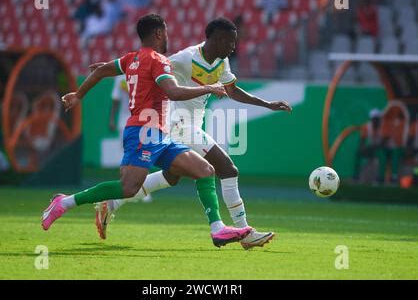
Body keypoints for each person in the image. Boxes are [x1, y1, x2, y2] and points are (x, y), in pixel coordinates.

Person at [41, 14, 252, 248]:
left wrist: (78, 94)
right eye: (167, 32)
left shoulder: (132, 58)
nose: (169, 36)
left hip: (160, 132)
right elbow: (173, 93)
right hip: (144, 131)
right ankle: (64, 202)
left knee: (204, 170)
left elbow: (102, 71)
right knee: (128, 188)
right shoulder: (158, 60)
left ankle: (218, 229)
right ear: (159, 33)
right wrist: (209, 88)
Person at [92, 17, 292, 250]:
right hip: (178, 124)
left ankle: (111, 204)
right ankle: (244, 231)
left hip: (193, 125)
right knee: (227, 168)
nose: (234, 47)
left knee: (171, 177)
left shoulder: (221, 62)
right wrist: (109, 68)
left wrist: (267, 104)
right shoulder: (186, 58)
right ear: (217, 39)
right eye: (230, 42)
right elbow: (152, 63)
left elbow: (233, 91)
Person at [107, 74, 152, 202]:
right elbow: (115, 100)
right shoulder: (120, 78)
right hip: (125, 122)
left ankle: (142, 189)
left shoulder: (144, 73)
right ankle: (126, 188)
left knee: (142, 155)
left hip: (141, 121)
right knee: (127, 156)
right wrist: (111, 119)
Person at [353, 108, 385, 184]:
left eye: (377, 119)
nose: (375, 121)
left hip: (380, 148)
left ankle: (379, 178)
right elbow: (362, 140)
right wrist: (362, 148)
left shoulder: (383, 127)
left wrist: (373, 147)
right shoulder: (367, 127)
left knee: (381, 155)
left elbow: (384, 142)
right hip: (371, 148)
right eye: (374, 119)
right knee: (358, 153)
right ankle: (356, 176)